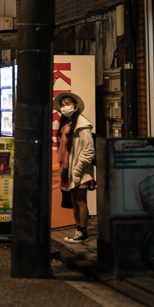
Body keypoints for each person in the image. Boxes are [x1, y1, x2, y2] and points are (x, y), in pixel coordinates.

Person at [55, 91, 95, 243]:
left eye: (68, 104)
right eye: (62, 105)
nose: (65, 107)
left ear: (76, 106)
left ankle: (83, 232)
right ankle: (78, 230)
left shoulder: (83, 125)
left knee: (80, 200)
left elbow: (89, 151)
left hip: (80, 170)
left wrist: (77, 170)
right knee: (73, 200)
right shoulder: (67, 123)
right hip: (69, 169)